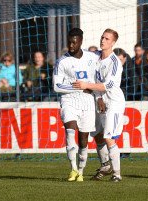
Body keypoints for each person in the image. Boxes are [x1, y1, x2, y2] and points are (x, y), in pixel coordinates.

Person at [73, 28, 125, 182]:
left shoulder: (115, 62)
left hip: (114, 102)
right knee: (96, 134)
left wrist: (85, 85)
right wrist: (98, 98)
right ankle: (106, 165)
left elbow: (107, 85)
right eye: (102, 37)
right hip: (100, 100)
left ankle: (117, 174)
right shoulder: (96, 57)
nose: (103, 40)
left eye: (107, 39)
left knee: (109, 137)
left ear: (113, 43)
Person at [53, 28, 99, 182]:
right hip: (69, 100)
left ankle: (81, 170)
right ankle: (73, 169)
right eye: (69, 42)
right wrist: (78, 87)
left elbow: (97, 79)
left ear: (81, 41)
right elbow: (56, 86)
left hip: (87, 102)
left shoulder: (92, 57)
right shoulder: (62, 61)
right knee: (70, 131)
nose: (71, 45)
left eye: (74, 42)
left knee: (84, 140)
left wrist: (98, 96)